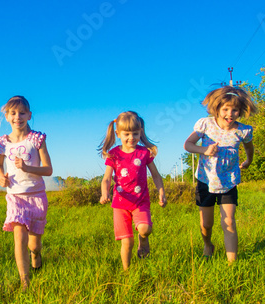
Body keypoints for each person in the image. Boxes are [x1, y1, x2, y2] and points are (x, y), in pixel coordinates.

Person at [183, 86, 257, 263]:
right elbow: (188, 144)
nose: (230, 114)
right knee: (206, 224)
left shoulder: (242, 131)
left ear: (240, 112)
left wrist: (248, 161)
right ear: (217, 109)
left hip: (228, 182)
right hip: (206, 181)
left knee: (229, 222)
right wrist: (204, 150)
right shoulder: (205, 125)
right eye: (225, 109)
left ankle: (232, 263)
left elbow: (249, 147)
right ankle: (208, 244)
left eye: (234, 110)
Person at [0, 96, 52, 290]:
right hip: (15, 196)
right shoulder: (3, 143)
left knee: (33, 245)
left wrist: (27, 168)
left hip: (36, 196)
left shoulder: (37, 139)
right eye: (13, 113)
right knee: (19, 235)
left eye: (22, 113)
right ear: (7, 116)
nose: (17, 116)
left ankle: (36, 255)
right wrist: (1, 176)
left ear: (29, 115)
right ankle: (24, 280)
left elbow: (48, 169)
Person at [99, 111, 167, 270]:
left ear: (141, 132)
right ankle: (127, 272)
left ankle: (143, 240)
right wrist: (105, 193)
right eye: (127, 134)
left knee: (144, 228)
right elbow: (106, 178)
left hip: (140, 201)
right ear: (118, 134)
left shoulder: (144, 153)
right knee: (127, 242)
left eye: (135, 133)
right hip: (120, 204)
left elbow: (156, 176)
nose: (131, 137)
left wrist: (161, 192)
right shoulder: (114, 154)